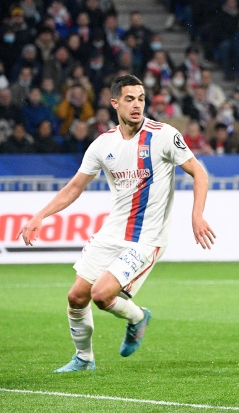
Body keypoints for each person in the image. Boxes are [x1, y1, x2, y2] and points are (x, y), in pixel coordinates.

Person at [16, 74, 216, 373]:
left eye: (141, 99)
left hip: (147, 238)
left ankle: (138, 317)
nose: (137, 105)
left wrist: (196, 215)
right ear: (114, 103)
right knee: (76, 296)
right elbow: (75, 187)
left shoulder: (163, 135)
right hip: (112, 232)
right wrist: (40, 215)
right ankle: (84, 358)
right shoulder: (102, 144)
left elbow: (199, 173)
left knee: (101, 295)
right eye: (129, 99)